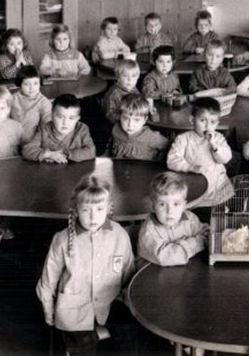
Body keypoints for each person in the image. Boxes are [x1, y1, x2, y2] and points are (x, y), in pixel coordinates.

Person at [36, 174, 135, 356]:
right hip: (74, 310)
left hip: (111, 304)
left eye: (99, 209)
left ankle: (99, 333)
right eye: (86, 210)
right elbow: (47, 281)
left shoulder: (120, 235)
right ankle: (91, 337)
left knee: (130, 336)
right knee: (82, 346)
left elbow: (129, 274)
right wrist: (48, 311)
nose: (92, 217)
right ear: (75, 209)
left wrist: (126, 303)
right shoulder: (62, 239)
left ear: (109, 208)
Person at [167, 97, 234, 207]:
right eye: (202, 120)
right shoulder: (183, 139)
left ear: (217, 123)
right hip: (195, 188)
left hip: (219, 187)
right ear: (192, 120)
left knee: (220, 214)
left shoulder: (218, 138)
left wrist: (215, 147)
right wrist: (189, 167)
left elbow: (226, 158)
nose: (207, 126)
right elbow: (172, 160)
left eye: (212, 122)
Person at [138, 171, 209, 265]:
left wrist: (204, 239)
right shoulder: (148, 232)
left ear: (184, 205)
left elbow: (208, 234)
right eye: (162, 204)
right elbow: (168, 257)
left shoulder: (190, 219)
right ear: (153, 206)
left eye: (176, 204)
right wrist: (197, 243)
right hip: (154, 275)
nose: (170, 211)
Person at [22, 93, 96, 163]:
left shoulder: (82, 129)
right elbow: (27, 150)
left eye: (71, 118)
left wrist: (65, 154)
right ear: (52, 116)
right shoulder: (45, 129)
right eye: (60, 117)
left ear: (77, 119)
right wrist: (49, 154)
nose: (65, 122)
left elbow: (91, 151)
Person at [105, 94, 169, 161]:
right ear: (120, 116)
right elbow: (111, 145)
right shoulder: (116, 129)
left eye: (136, 120)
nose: (130, 124)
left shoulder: (151, 137)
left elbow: (169, 147)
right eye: (126, 119)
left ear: (144, 120)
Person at [10, 65, 53, 141]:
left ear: (40, 83)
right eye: (26, 84)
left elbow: (46, 127)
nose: (32, 88)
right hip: (12, 141)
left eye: (35, 83)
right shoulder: (11, 99)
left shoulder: (44, 102)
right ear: (20, 84)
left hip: (33, 143)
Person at [101, 59, 141, 124]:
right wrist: (125, 118)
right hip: (117, 124)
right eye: (125, 76)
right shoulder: (114, 94)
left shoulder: (134, 88)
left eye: (133, 76)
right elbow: (110, 115)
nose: (130, 80)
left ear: (138, 77)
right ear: (118, 77)